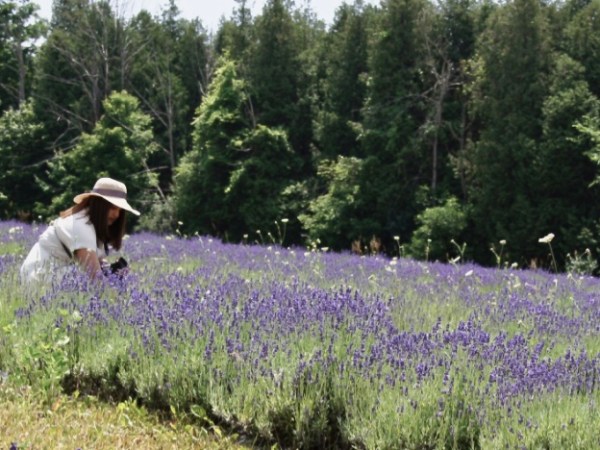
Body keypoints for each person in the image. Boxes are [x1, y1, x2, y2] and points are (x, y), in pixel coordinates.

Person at [20, 177, 140, 283]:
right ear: (99, 206)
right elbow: (96, 278)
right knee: (88, 285)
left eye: (120, 210)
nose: (116, 215)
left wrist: (110, 270)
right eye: (112, 208)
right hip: (39, 278)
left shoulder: (87, 221)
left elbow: (95, 261)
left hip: (45, 274)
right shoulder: (82, 227)